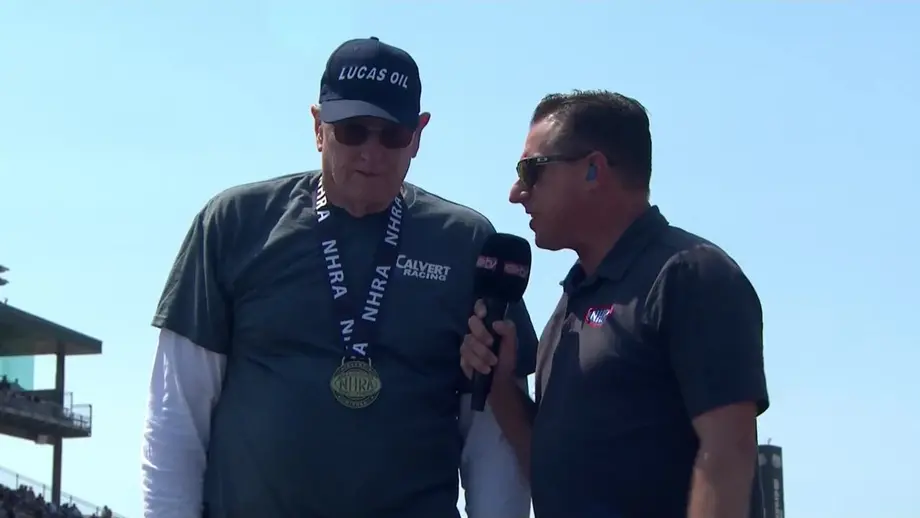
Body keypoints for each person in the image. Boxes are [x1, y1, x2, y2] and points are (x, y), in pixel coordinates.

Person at [142, 37, 537, 518]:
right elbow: (176, 411)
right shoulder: (235, 224)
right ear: (318, 127)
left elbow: (490, 430)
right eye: (352, 131)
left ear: (418, 135)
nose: (372, 152)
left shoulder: (465, 242)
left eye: (392, 135)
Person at [460, 90, 770, 518]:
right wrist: (500, 386)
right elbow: (552, 475)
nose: (517, 193)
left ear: (593, 169)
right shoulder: (572, 303)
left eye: (531, 170)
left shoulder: (690, 276)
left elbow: (727, 454)